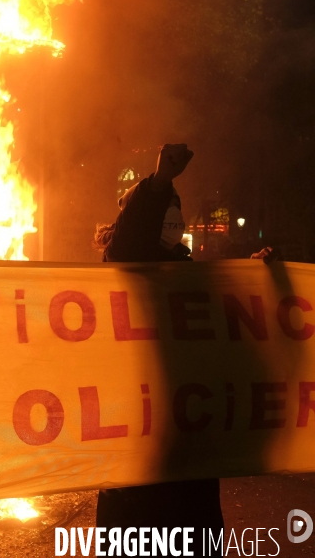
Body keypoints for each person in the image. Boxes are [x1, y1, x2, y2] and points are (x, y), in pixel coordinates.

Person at [93, 144, 224, 557]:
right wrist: (159, 182)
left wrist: (264, 276)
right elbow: (132, 237)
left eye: (176, 206)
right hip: (136, 447)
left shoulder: (190, 276)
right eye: (164, 206)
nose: (174, 215)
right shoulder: (127, 264)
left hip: (189, 443)